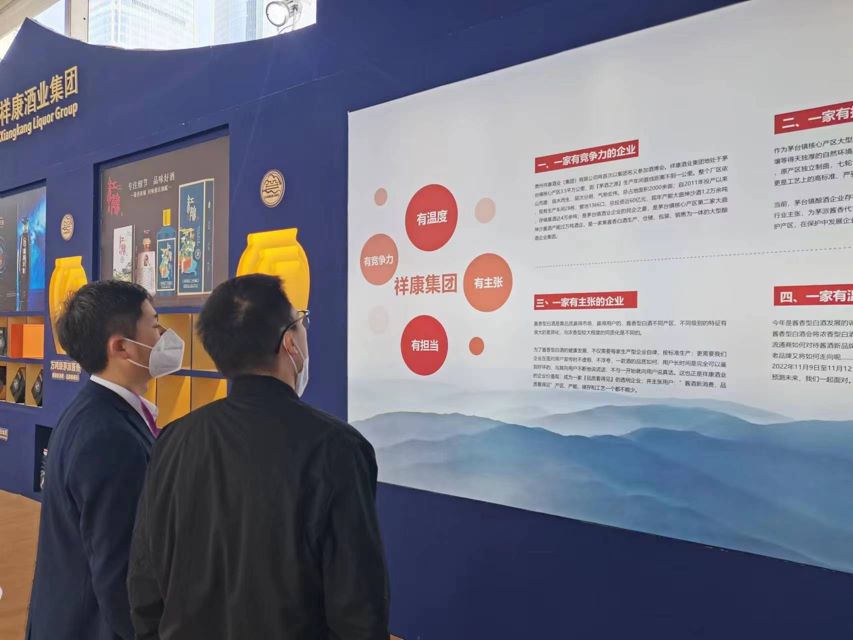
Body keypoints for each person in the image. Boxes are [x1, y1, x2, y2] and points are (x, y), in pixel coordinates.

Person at [128, 274, 390, 640]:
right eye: (300, 321)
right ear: (289, 343)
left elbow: (144, 586)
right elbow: (359, 609)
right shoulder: (338, 449)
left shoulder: (174, 441)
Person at [27, 280, 185, 640]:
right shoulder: (109, 438)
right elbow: (121, 573)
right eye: (155, 325)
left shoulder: (96, 412)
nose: (164, 336)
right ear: (121, 347)